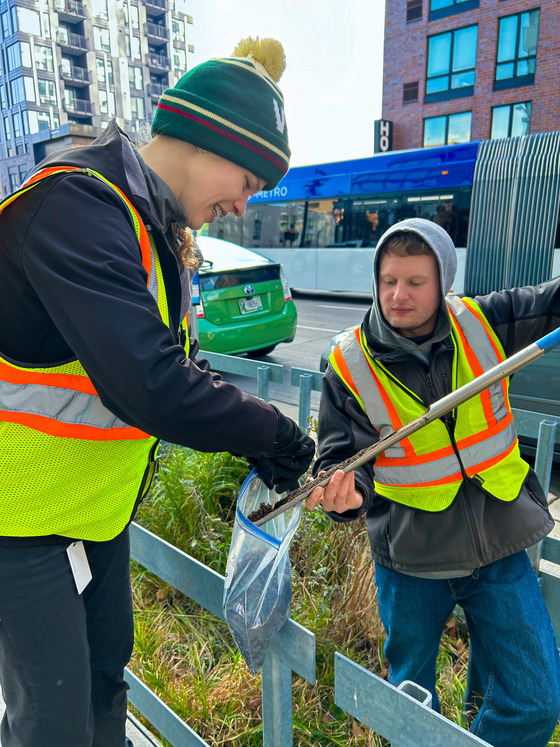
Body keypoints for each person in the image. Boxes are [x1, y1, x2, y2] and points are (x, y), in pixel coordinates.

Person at [0, 37, 315, 747]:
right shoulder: (76, 206)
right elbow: (152, 382)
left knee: (103, 684)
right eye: (249, 179)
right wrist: (275, 434)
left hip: (91, 515)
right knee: (51, 721)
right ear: (208, 140)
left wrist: (268, 449)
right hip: (18, 526)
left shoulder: (150, 228)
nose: (244, 202)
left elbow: (177, 371)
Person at [307, 218, 560, 747]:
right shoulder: (347, 362)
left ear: (443, 282)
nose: (397, 296)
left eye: (415, 283)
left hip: (498, 547)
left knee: (536, 702)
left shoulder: (484, 321)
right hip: (411, 559)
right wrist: (345, 495)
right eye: (388, 280)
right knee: (412, 710)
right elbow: (340, 459)